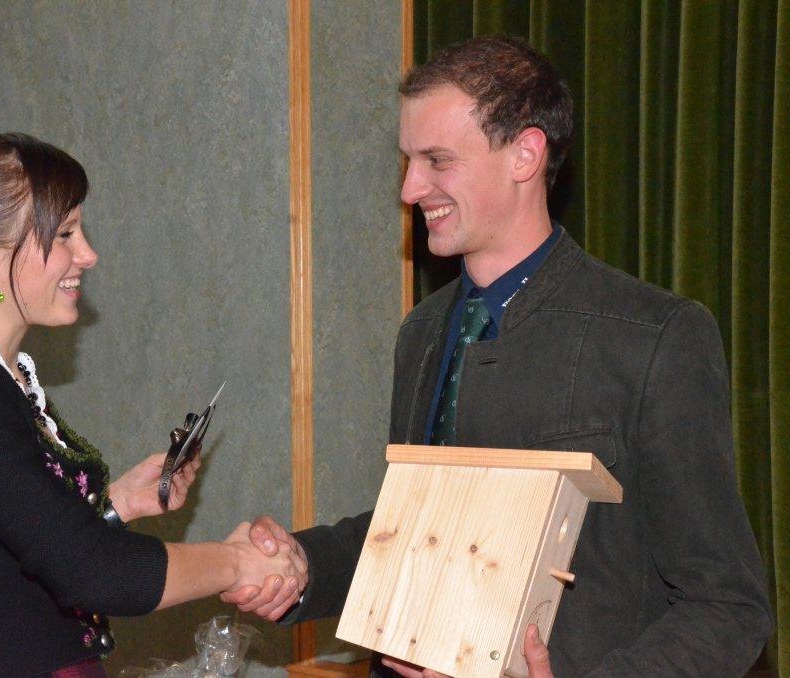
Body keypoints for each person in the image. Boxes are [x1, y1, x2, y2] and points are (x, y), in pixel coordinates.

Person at [222, 35, 773, 677]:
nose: (410, 188)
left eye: (437, 160)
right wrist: (302, 565)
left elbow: (727, 607)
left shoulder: (655, 336)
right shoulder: (421, 333)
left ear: (525, 155)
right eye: (408, 161)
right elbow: (422, 528)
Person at [0, 119, 306, 677]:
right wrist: (236, 564)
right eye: (64, 234)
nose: (88, 254)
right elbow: (96, 573)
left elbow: (11, 554)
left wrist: (119, 503)